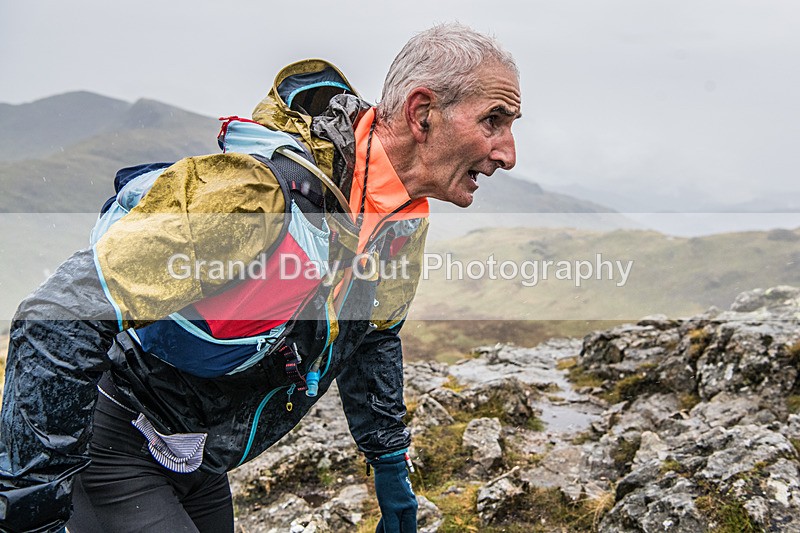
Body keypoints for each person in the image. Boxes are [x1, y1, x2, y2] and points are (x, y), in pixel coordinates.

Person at [0, 23, 520, 533]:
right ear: (422, 112)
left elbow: (372, 337)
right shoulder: (258, 193)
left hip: (201, 458)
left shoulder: (400, 219)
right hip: (115, 443)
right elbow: (58, 315)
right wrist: (31, 510)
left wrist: (389, 464)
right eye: (493, 120)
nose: (508, 153)